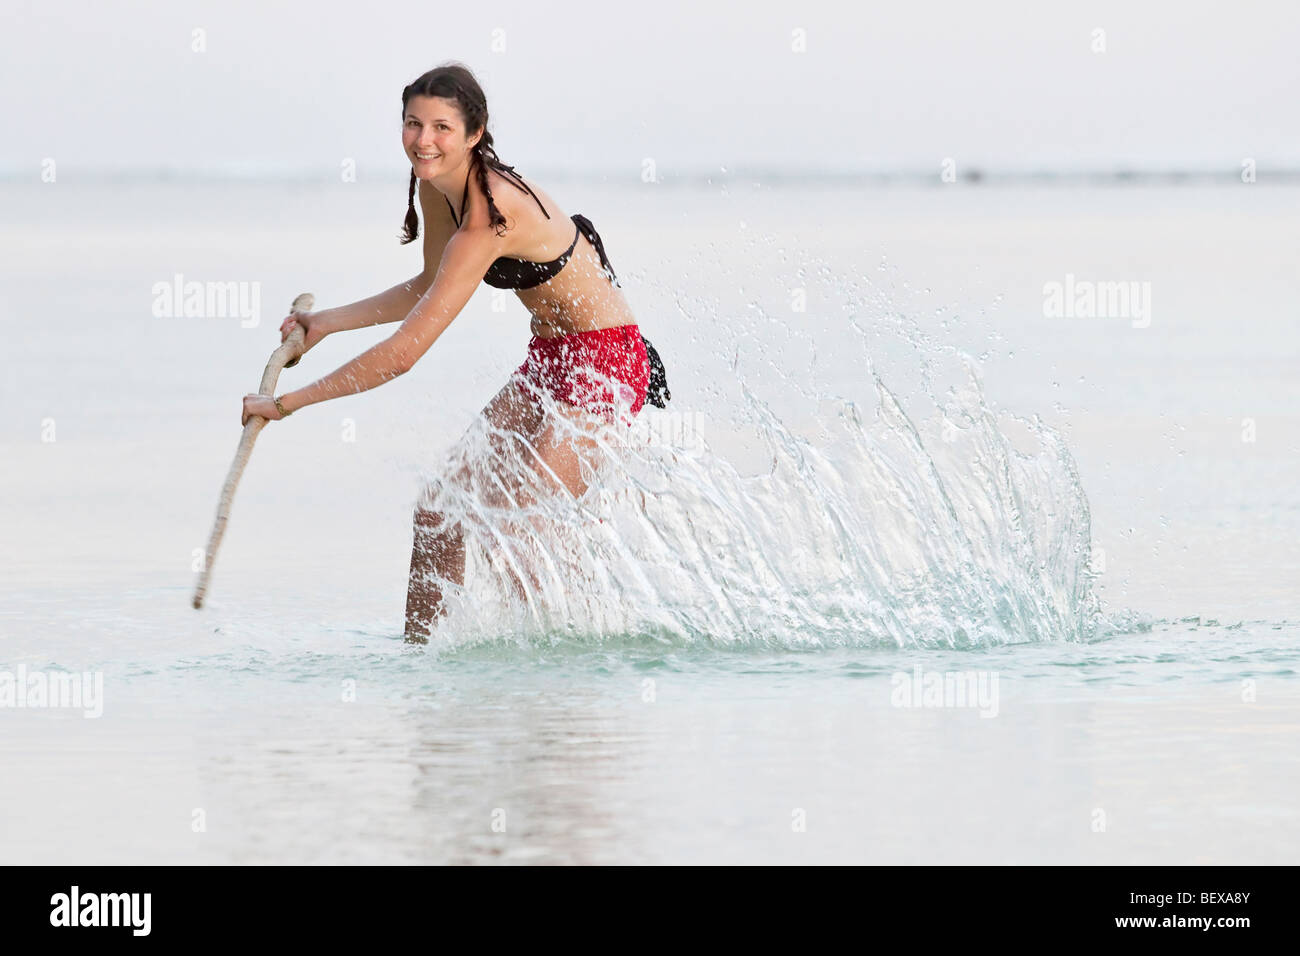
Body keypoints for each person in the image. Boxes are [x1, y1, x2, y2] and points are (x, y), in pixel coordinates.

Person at [240, 62, 669, 642]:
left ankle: (566, 675)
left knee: (518, 526)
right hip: (549, 361)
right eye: (413, 124)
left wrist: (287, 403)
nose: (423, 141)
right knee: (439, 513)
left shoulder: (491, 215)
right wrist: (326, 324)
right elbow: (425, 287)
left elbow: (404, 353)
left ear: (475, 133)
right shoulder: (437, 187)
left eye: (442, 127)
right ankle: (423, 669)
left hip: (608, 363)